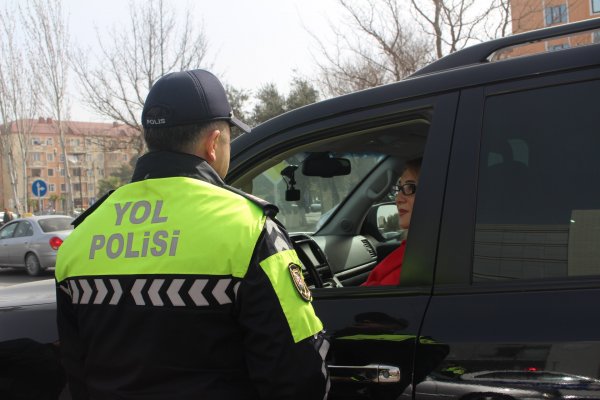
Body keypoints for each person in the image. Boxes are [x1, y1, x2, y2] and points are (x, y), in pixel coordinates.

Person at [55, 69, 330, 400]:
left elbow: (77, 375)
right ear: (213, 144)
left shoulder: (81, 237)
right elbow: (300, 377)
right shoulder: (250, 228)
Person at [362, 158, 422, 286]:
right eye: (399, 188)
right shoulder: (418, 250)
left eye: (410, 187)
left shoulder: (418, 261)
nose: (398, 198)